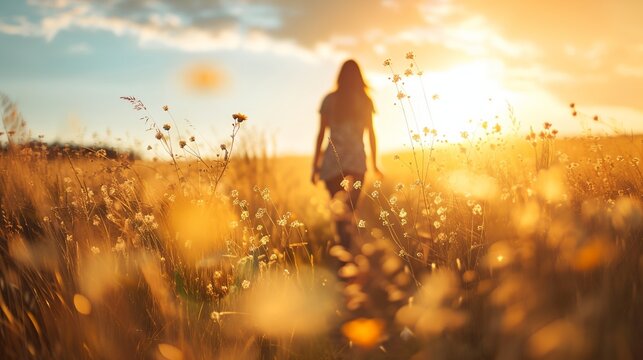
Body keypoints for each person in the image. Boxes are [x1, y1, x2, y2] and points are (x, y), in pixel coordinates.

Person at [311, 59, 381, 250]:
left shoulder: (329, 100)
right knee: (350, 211)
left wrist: (315, 166)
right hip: (357, 162)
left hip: (332, 163)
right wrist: (374, 164)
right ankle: (349, 253)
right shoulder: (365, 101)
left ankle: (343, 254)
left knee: (338, 213)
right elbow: (371, 134)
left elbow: (321, 134)